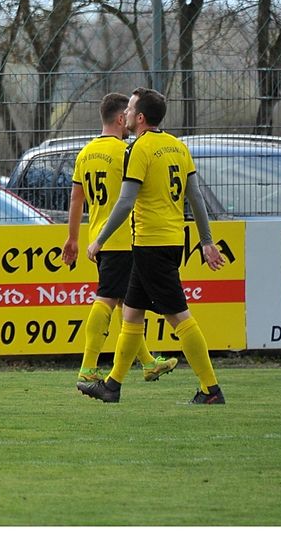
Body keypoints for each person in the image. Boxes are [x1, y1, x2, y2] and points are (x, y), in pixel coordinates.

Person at [79, 87, 227, 404]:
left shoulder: (140, 149)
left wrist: (100, 238)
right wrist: (206, 241)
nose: (127, 115)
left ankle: (211, 389)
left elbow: (126, 201)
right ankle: (112, 386)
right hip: (172, 241)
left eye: (131, 110)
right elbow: (196, 198)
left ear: (141, 117)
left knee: (179, 317)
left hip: (151, 244)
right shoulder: (177, 147)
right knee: (131, 314)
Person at [61, 93, 178, 386]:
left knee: (130, 303)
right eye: (125, 112)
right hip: (123, 238)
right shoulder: (126, 152)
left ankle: (149, 363)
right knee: (108, 299)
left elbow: (76, 198)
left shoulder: (85, 153)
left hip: (98, 235)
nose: (128, 117)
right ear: (118, 119)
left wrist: (72, 238)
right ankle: (88, 368)